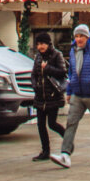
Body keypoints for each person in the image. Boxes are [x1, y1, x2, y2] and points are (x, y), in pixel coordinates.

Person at [51, 23, 90, 169]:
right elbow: (72, 72)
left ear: (87, 37)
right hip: (78, 93)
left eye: (81, 36)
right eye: (77, 36)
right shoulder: (73, 51)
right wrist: (70, 91)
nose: (79, 39)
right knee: (71, 122)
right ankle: (65, 154)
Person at [30, 32, 67, 161]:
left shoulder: (57, 55)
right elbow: (34, 74)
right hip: (40, 97)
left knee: (52, 124)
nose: (40, 47)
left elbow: (62, 73)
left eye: (43, 44)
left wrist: (48, 69)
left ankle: (68, 140)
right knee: (40, 125)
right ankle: (45, 151)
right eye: (38, 44)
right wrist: (35, 85)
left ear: (48, 44)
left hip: (53, 96)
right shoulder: (38, 57)